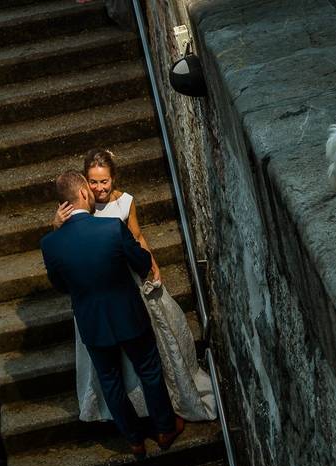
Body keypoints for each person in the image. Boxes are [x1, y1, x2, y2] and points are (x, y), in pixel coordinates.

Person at [53, 148, 216, 426]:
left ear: (113, 179)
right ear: (84, 185)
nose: (99, 188)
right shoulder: (75, 211)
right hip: (104, 284)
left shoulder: (126, 202)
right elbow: (66, 248)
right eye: (93, 182)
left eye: (104, 181)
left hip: (127, 278)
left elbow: (137, 235)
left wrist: (152, 264)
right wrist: (57, 225)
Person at [41, 171, 183, 458]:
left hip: (92, 322)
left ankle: (133, 440)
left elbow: (59, 285)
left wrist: (56, 230)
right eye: (89, 189)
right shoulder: (112, 229)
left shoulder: (50, 243)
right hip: (128, 315)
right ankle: (165, 429)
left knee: (110, 381)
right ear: (83, 193)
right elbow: (142, 262)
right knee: (149, 371)